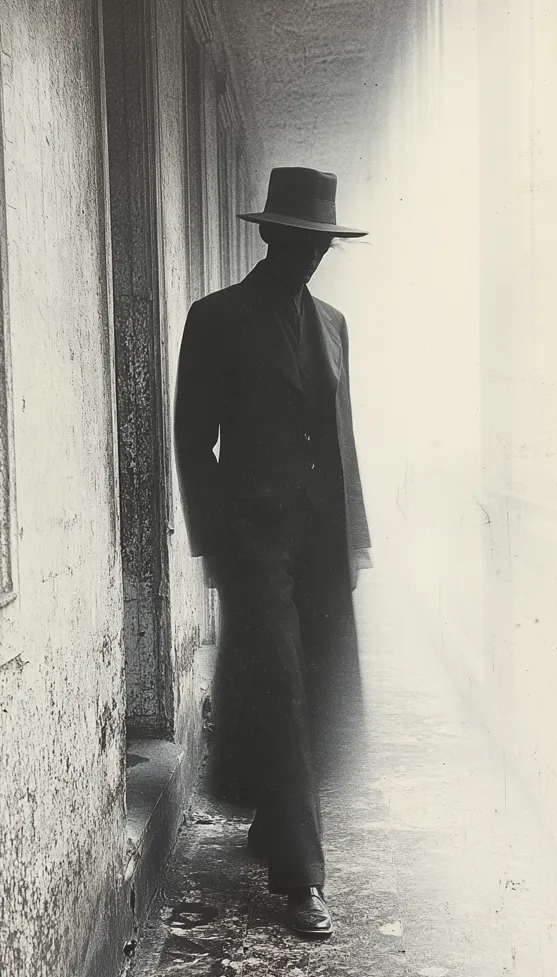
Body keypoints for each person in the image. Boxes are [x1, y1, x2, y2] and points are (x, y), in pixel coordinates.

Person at [174, 166, 370, 937]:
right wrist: (222, 539)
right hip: (256, 544)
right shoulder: (216, 317)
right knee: (283, 688)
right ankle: (303, 882)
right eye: (300, 239)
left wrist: (353, 538)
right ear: (267, 234)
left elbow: (344, 437)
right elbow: (193, 439)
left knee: (314, 690)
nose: (312, 255)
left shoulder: (333, 323)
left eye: (323, 243)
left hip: (320, 542)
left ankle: (271, 819)